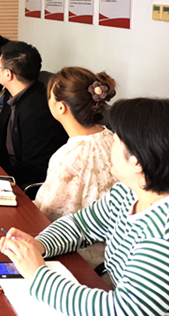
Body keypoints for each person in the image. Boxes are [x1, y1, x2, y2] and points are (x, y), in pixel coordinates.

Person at [0, 98, 169, 316]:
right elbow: (80, 225)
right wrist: (40, 244)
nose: (110, 143)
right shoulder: (130, 192)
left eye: (117, 139)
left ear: (137, 162)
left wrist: (37, 275)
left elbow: (122, 313)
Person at [34, 67, 118, 270]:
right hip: (115, 253)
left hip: (80, 257)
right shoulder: (113, 139)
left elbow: (46, 215)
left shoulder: (69, 157)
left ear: (60, 107)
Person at [0, 41, 67, 187]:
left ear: (8, 74)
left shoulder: (38, 111)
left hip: (22, 184)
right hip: (6, 169)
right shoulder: (14, 93)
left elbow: (34, 167)